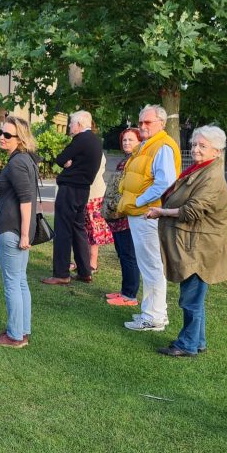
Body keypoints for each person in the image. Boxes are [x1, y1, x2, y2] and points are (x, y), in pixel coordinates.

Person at [145, 126, 227, 357]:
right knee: (194, 296)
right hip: (195, 243)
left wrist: (161, 212)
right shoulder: (203, 168)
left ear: (217, 150)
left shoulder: (212, 175)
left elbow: (193, 210)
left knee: (191, 298)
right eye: (194, 144)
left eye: (202, 146)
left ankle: (187, 345)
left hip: (200, 246)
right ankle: (197, 340)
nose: (196, 149)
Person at [117, 104, 181, 331]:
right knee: (150, 265)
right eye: (140, 122)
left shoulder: (162, 146)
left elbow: (164, 182)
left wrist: (139, 201)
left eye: (148, 122)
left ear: (161, 124)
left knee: (151, 265)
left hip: (148, 214)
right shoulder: (149, 145)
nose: (142, 126)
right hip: (142, 212)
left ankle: (153, 317)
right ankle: (155, 313)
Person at [0, 116, 38, 348]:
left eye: (8, 135)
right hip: (18, 230)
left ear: (20, 139)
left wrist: (25, 234)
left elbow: (26, 199)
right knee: (19, 281)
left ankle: (14, 335)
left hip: (13, 230)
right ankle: (21, 329)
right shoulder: (25, 159)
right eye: (1, 132)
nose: (2, 137)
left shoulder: (18, 162)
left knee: (13, 282)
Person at [42, 110, 102, 285]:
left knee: (63, 231)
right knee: (78, 229)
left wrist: (68, 163)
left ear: (80, 124)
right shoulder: (95, 142)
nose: (69, 126)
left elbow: (61, 159)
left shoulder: (80, 140)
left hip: (70, 189)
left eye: (71, 123)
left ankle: (61, 273)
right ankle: (85, 271)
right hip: (83, 190)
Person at [102, 128, 141, 307]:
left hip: (125, 215)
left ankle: (130, 295)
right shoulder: (126, 160)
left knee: (128, 255)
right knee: (123, 254)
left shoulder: (137, 162)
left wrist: (117, 206)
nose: (126, 143)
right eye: (124, 140)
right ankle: (124, 290)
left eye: (130, 140)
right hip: (115, 215)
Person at [84, 147, 112, 272]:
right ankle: (82, 260)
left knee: (94, 230)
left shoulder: (95, 151)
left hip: (94, 195)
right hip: (83, 194)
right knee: (82, 229)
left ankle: (92, 262)